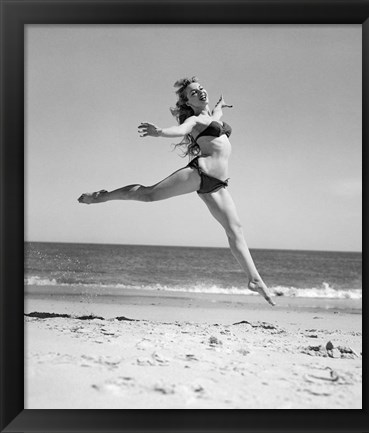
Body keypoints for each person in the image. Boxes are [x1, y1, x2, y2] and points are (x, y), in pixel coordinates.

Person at [78, 77, 275, 306]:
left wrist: (221, 105)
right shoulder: (193, 120)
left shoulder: (211, 117)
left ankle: (254, 279)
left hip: (218, 185)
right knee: (149, 194)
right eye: (193, 93)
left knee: (235, 230)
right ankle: (102, 196)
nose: (200, 92)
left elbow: (217, 116)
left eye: (201, 88)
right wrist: (159, 131)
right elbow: (179, 129)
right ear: (188, 103)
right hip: (199, 174)